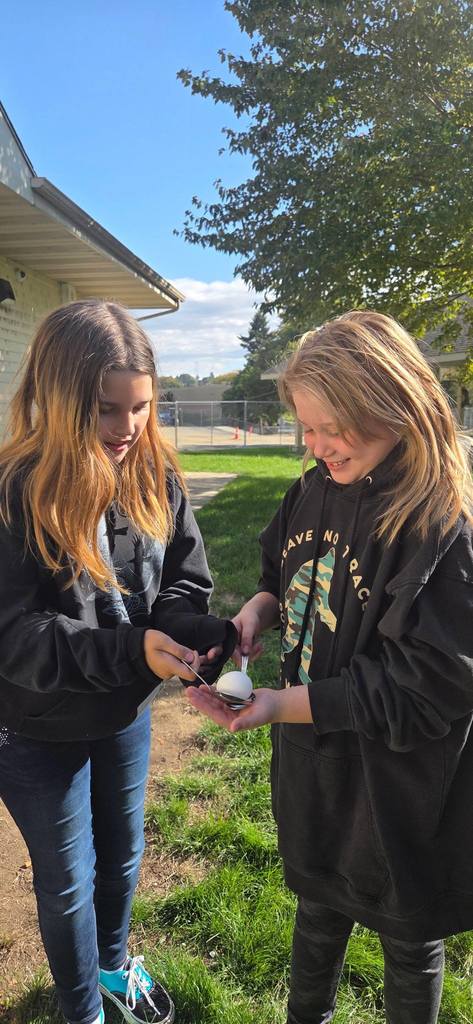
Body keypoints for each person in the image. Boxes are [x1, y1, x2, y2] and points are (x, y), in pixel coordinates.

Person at [187, 310, 473, 1024]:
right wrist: (257, 609)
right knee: (317, 911)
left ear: (389, 404)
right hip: (316, 767)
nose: (312, 446)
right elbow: (280, 570)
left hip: (402, 786)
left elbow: (427, 685)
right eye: (303, 428)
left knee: (409, 940)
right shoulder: (311, 488)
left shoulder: (440, 527)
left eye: (327, 428)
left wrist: (280, 705)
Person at [0, 300, 236, 1024]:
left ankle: (111, 969)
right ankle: (83, 1013)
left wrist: (200, 631)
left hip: (124, 712)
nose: (127, 429)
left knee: (123, 857)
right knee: (67, 881)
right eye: (107, 410)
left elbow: (179, 584)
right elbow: (17, 637)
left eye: (140, 408)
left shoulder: (152, 472)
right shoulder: (15, 492)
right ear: (59, 396)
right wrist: (129, 649)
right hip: (37, 730)